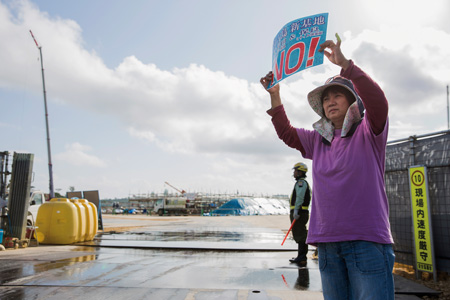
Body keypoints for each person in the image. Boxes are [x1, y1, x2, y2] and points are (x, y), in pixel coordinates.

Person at [260, 35, 395, 300]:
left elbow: (379, 102)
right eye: (326, 99)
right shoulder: (318, 140)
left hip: (367, 240)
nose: (330, 101)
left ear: (353, 101)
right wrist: (275, 96)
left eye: (338, 96)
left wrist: (346, 66)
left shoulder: (369, 132)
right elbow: (286, 133)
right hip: (328, 243)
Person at [289, 162, 311, 265]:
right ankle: (300, 256)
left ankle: (302, 257)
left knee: (300, 234)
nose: (294, 173)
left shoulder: (301, 183)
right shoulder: (301, 183)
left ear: (300, 172)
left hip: (300, 212)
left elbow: (300, 197)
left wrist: (296, 210)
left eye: (295, 171)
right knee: (299, 233)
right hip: (301, 211)